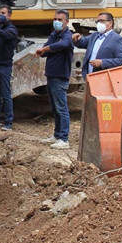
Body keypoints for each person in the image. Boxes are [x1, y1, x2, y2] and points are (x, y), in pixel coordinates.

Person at [36, 9, 73, 149]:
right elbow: (47, 48)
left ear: (66, 22)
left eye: (60, 20)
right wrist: (42, 51)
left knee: (61, 108)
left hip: (60, 77)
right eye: (55, 19)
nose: (57, 22)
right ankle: (57, 135)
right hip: (51, 76)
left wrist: (45, 49)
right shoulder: (54, 34)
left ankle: (64, 139)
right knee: (55, 108)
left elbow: (62, 45)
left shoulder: (67, 36)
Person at [73, 12, 122, 78]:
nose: (99, 24)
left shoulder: (116, 39)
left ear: (110, 23)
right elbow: (83, 42)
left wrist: (102, 63)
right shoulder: (95, 36)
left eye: (102, 21)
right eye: (98, 21)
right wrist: (76, 40)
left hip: (105, 79)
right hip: (90, 78)